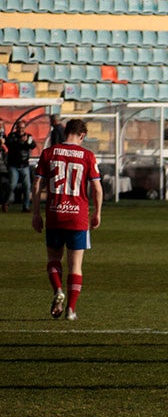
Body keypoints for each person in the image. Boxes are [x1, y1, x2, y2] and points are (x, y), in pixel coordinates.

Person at [30, 118, 103, 321]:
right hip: (77, 217)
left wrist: (36, 213)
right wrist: (97, 212)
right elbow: (97, 188)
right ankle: (71, 310)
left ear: (65, 133)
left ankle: (58, 291)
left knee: (54, 259)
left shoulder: (49, 152)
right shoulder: (87, 155)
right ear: (82, 135)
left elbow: (37, 185)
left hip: (55, 214)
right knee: (76, 266)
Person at [6, 119, 36, 213]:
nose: (21, 130)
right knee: (12, 185)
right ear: (16, 128)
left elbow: (32, 146)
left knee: (27, 186)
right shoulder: (12, 136)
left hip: (24, 165)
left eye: (23, 128)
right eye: (19, 128)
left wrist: (27, 142)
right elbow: (10, 145)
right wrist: (21, 142)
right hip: (13, 165)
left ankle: (26, 206)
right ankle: (6, 202)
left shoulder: (28, 136)